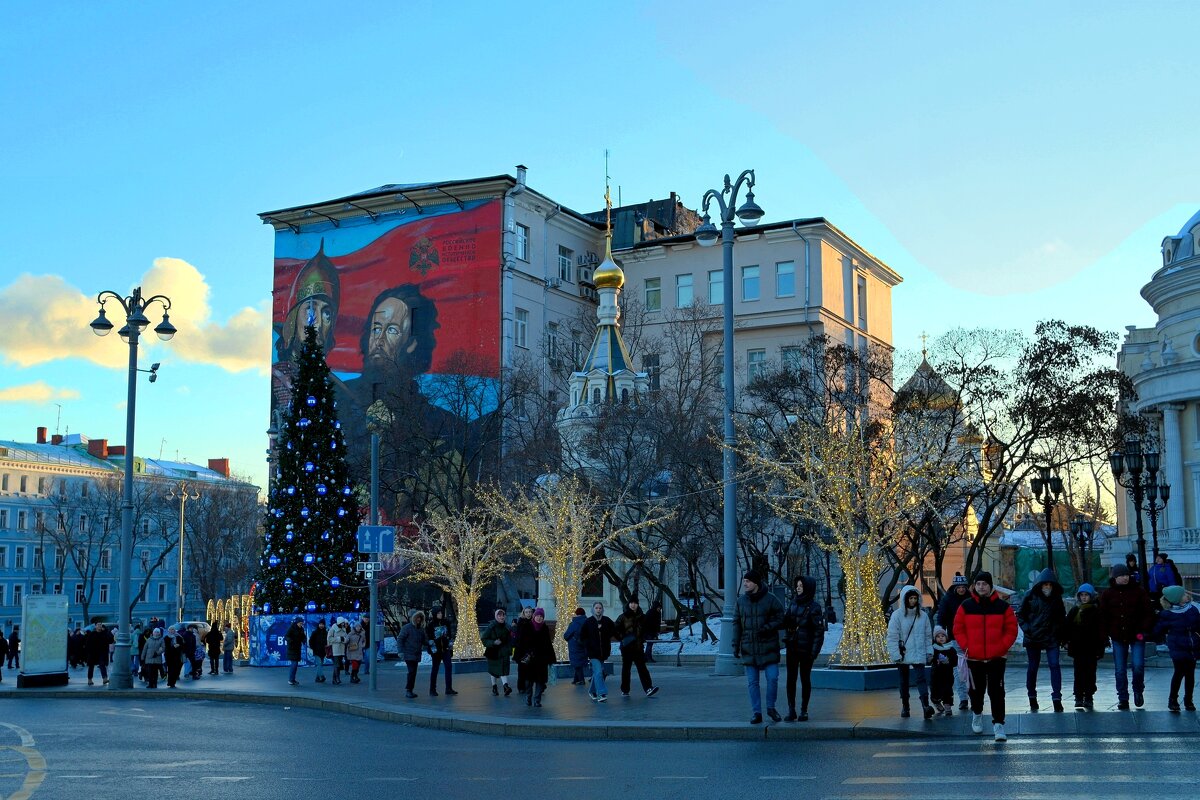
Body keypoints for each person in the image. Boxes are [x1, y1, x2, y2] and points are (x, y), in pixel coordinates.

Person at [954, 571, 1018, 742]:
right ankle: (977, 713)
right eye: (978, 584)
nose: (981, 587)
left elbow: (1011, 630)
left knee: (997, 691)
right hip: (974, 658)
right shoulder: (966, 606)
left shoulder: (1003, 607)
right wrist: (967, 646)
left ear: (990, 586)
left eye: (984, 584)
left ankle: (999, 724)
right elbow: (958, 628)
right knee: (976, 691)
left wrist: (1001, 647)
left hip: (996, 658)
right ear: (974, 586)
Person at [1098, 563, 1155, 709]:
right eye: (1121, 575)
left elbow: (1148, 612)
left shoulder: (1139, 591)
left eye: (1126, 575)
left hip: (1137, 635)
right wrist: (1105, 635)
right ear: (1115, 577)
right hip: (1117, 635)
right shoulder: (1107, 594)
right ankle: (1123, 697)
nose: (1125, 578)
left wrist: (1144, 629)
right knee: (1120, 669)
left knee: (1138, 666)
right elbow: (1103, 617)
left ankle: (1138, 690)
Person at [733, 570, 784, 724]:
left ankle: (771, 708)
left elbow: (781, 618)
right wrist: (735, 645)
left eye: (748, 581)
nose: (745, 584)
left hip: (768, 646)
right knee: (753, 682)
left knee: (773, 678)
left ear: (755, 583)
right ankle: (757, 712)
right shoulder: (741, 601)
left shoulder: (771, 599)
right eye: (744, 581)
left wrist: (768, 627)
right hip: (749, 647)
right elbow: (736, 624)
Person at [1017, 568, 1066, 712]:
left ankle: (1056, 698)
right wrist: (1028, 629)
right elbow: (1020, 614)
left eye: (1050, 585)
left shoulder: (1056, 598)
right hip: (1033, 637)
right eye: (1045, 585)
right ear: (1040, 585)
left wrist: (1059, 634)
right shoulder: (1030, 596)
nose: (1047, 588)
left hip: (1051, 637)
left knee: (1055, 665)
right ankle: (1032, 696)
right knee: (1033, 667)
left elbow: (1061, 617)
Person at [886, 585, 934, 720]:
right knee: (904, 681)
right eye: (910, 598)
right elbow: (892, 637)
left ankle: (926, 706)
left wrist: (929, 652)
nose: (913, 601)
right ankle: (905, 706)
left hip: (919, 652)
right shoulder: (897, 616)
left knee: (921, 679)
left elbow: (928, 636)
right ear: (905, 599)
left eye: (915, 598)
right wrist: (895, 654)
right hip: (903, 653)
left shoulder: (923, 615)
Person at [782, 575, 825, 722]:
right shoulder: (793, 603)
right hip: (792, 648)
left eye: (801, 585)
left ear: (807, 588)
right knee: (790, 679)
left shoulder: (814, 607)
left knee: (805, 679)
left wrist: (814, 652)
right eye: (797, 585)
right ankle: (791, 709)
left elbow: (819, 632)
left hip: (806, 651)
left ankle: (804, 710)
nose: (797, 588)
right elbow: (786, 621)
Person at [1154, 585, 1199, 712]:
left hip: (1192, 646)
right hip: (1177, 646)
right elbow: (1158, 629)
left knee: (1190, 673)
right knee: (1179, 672)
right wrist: (1146, 635)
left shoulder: (1192, 609)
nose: (1187, 596)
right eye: (1183, 594)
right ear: (1176, 599)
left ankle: (1188, 700)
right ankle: (1173, 699)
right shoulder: (1167, 614)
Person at [1064, 583, 1107, 710]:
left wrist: (1102, 645)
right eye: (1081, 595)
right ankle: (1078, 696)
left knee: (1090, 673)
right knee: (1078, 672)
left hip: (1091, 648)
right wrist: (1066, 641)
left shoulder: (1096, 611)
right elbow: (1068, 627)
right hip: (1078, 648)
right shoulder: (1075, 610)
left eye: (1086, 595)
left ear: (1091, 596)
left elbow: (1101, 630)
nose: (1084, 598)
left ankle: (1088, 696)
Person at [935, 574, 971, 710]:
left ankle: (974, 696)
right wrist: (940, 632)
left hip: (971, 640)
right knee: (958, 671)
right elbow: (941, 617)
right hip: (954, 639)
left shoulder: (971, 599)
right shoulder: (948, 599)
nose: (961, 589)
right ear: (954, 587)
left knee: (973, 671)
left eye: (963, 587)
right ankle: (963, 699)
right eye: (959, 587)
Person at [614, 599, 658, 698]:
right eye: (632, 603)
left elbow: (646, 628)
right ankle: (625, 690)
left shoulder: (642, 616)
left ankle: (648, 688)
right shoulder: (623, 616)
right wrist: (622, 638)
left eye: (635, 603)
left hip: (638, 647)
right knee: (626, 669)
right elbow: (615, 629)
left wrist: (644, 637)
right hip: (626, 647)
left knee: (642, 668)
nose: (633, 605)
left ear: (638, 604)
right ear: (629, 604)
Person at [514, 608, 556, 707]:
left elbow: (548, 644)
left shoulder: (545, 628)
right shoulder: (526, 627)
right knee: (528, 680)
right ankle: (529, 696)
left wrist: (551, 658)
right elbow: (520, 642)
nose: (539, 618)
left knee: (540, 680)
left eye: (541, 616)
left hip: (542, 659)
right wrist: (520, 655)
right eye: (538, 616)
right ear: (534, 616)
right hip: (529, 659)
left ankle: (537, 699)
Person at [581, 602, 616, 702]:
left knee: (597, 672)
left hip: (603, 652)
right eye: (596, 608)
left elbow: (614, 631)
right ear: (593, 609)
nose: (598, 610)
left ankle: (592, 691)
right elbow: (582, 636)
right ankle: (602, 693)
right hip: (593, 652)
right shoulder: (588, 622)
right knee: (599, 671)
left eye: (600, 608)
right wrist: (588, 645)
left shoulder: (606, 620)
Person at [425, 606, 457, 696]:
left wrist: (450, 644)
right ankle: (432, 689)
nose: (441, 614)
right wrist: (431, 646)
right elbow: (429, 637)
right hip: (436, 651)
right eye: (439, 613)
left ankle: (449, 688)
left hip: (445, 649)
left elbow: (450, 634)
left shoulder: (445, 622)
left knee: (449, 667)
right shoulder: (431, 625)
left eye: (441, 613)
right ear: (435, 614)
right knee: (435, 669)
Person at [482, 608, 513, 696]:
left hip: (504, 652)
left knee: (503, 670)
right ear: (496, 616)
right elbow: (484, 639)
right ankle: (495, 687)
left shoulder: (507, 627)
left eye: (503, 615)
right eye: (499, 615)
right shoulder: (491, 627)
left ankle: (505, 687)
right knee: (494, 671)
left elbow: (510, 640)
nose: (501, 617)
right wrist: (493, 642)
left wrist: (509, 650)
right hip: (493, 652)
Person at [930, 626, 958, 716]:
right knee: (935, 691)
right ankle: (936, 701)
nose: (941, 637)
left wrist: (948, 661)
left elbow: (955, 661)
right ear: (935, 638)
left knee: (947, 690)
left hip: (948, 675)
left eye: (943, 636)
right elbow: (931, 659)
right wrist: (935, 660)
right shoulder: (934, 649)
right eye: (938, 636)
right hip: (936, 675)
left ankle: (947, 706)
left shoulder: (951, 649)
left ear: (946, 637)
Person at [398, 610, 426, 698]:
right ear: (412, 618)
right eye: (417, 617)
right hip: (408, 653)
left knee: (413, 672)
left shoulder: (420, 629)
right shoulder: (407, 628)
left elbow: (424, 640)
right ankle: (409, 690)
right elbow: (400, 639)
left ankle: (410, 690)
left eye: (420, 618)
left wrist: (430, 642)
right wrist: (400, 651)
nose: (419, 619)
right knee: (412, 672)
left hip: (416, 654)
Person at [562, 607, 588, 685]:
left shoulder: (574, 623)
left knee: (577, 664)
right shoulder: (587, 622)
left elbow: (566, 635)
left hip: (575, 646)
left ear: (577, 614)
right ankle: (576, 679)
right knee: (579, 662)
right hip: (584, 645)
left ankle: (581, 680)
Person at [513, 606, 535, 694]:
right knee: (522, 670)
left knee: (530, 670)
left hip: (531, 651)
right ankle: (521, 687)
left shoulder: (534, 623)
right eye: (527, 612)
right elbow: (518, 638)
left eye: (530, 612)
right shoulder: (521, 623)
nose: (528, 614)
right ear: (523, 613)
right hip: (522, 651)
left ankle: (529, 686)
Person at [284, 617, 306, 686]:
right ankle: (291, 679)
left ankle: (292, 679)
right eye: (300, 623)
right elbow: (286, 636)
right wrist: (290, 641)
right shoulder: (292, 628)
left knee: (295, 665)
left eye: (302, 623)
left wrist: (304, 640)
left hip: (297, 648)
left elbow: (303, 636)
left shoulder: (301, 629)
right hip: (292, 648)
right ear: (297, 623)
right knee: (294, 664)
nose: (301, 625)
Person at [328, 618, 349, 685]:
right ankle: (337, 678)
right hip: (335, 649)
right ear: (339, 622)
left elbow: (347, 638)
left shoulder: (344, 629)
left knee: (338, 665)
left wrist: (344, 639)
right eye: (342, 623)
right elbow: (329, 638)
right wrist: (339, 639)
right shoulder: (333, 629)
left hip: (341, 650)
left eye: (344, 623)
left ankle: (334, 680)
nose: (343, 624)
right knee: (337, 665)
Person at [308, 619, 328, 683]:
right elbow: (310, 641)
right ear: (318, 624)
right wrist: (313, 648)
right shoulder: (315, 632)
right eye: (320, 624)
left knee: (320, 665)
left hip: (323, 652)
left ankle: (317, 678)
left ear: (324, 625)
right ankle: (322, 676)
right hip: (317, 652)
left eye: (322, 624)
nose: (321, 625)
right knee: (319, 664)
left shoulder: (326, 633)